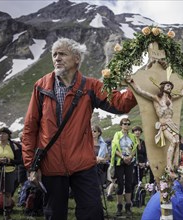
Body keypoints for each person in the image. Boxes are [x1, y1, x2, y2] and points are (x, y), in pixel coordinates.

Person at [22, 38, 137, 220]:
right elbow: (30, 128)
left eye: (62, 54)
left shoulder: (90, 86)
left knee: (92, 212)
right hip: (51, 166)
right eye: (54, 54)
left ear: (77, 58)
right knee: (54, 215)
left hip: (83, 164)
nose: (57, 58)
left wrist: (139, 86)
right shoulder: (41, 87)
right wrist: (31, 166)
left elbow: (120, 103)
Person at [126, 78, 183, 176]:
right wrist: (132, 82)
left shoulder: (171, 98)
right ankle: (168, 167)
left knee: (177, 143)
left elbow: (181, 94)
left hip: (172, 124)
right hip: (164, 123)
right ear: (163, 86)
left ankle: (174, 166)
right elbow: (141, 92)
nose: (170, 88)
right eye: (168, 86)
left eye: (171, 87)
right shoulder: (156, 98)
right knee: (173, 141)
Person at [0, 127, 22, 220]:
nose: (1, 135)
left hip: (9, 171)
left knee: (7, 193)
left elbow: (19, 160)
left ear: (8, 135)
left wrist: (9, 160)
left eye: (4, 133)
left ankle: (7, 214)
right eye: (0, 134)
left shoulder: (15, 146)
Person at [110, 118, 138, 216]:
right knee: (120, 184)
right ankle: (119, 207)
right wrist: (123, 157)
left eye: (128, 124)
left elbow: (135, 148)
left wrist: (130, 157)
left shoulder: (132, 136)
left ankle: (128, 206)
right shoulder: (117, 135)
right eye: (124, 124)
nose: (126, 125)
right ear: (121, 125)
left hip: (130, 161)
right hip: (120, 161)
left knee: (129, 183)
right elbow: (114, 148)